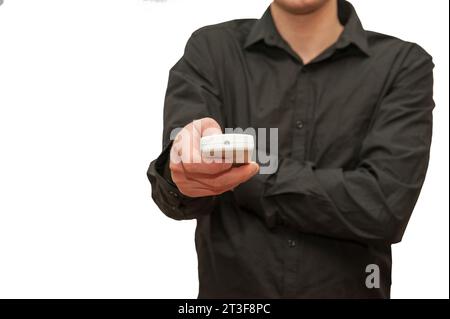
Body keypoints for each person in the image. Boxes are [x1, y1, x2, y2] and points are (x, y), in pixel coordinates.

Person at [147, 0, 434, 298]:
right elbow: (177, 188)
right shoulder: (212, 50)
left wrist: (246, 169)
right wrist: (182, 174)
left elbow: (383, 209)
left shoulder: (402, 65)